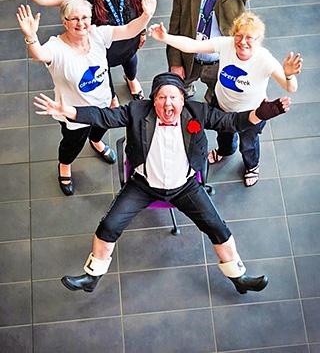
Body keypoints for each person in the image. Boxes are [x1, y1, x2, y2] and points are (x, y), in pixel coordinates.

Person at [33, 72, 290, 294]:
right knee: (108, 225)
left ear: (182, 100)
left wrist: (261, 114)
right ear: (153, 100)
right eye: (161, 98)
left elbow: (232, 122)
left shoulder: (197, 112)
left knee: (218, 228)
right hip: (143, 185)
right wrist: (69, 112)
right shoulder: (136, 111)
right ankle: (92, 276)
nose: (168, 103)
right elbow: (104, 117)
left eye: (173, 97)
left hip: (186, 186)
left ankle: (239, 278)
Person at [16, 0, 157, 195]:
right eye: (74, 19)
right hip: (74, 112)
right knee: (71, 144)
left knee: (100, 128)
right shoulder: (57, 47)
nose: (80, 23)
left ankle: (97, 141)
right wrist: (31, 37)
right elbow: (39, 54)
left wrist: (147, 15)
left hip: (103, 104)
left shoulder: (97, 34)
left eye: (85, 17)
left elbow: (128, 30)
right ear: (65, 22)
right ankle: (65, 165)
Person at [148, 12, 302, 187]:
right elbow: (192, 46)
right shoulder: (226, 44)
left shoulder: (264, 59)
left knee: (248, 145)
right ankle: (224, 151)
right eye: (239, 36)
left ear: (259, 40)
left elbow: (291, 88)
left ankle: (252, 165)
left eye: (249, 38)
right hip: (222, 107)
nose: (242, 42)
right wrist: (165, 37)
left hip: (251, 114)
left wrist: (288, 75)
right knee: (224, 138)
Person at [6, 0, 147, 107]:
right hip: (103, 52)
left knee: (131, 62)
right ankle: (112, 97)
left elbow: (142, 11)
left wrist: (142, 32)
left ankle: (131, 80)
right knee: (102, 75)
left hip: (130, 44)